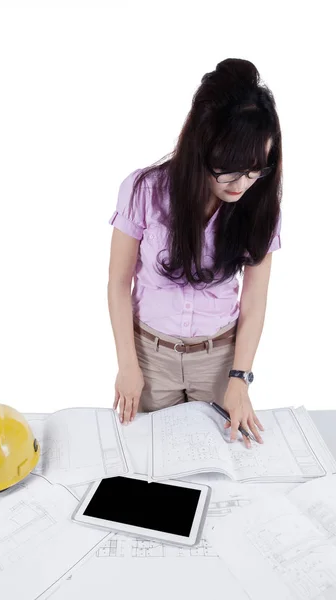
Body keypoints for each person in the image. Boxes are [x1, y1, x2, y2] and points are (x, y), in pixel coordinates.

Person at [107, 58, 282, 449]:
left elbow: (254, 299)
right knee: (149, 464)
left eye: (256, 171)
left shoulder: (261, 206)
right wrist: (127, 366)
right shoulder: (144, 191)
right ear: (202, 144)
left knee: (221, 464)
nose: (243, 184)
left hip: (220, 358)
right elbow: (119, 284)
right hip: (150, 357)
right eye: (232, 171)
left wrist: (241, 378)